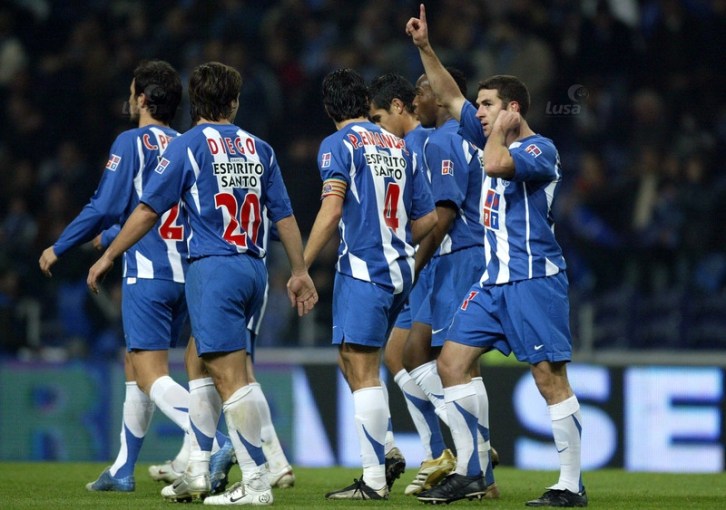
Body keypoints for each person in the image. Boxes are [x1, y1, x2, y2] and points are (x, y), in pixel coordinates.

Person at [87, 61, 317, 506]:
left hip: (214, 269)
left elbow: (148, 211)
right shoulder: (260, 148)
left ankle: (256, 482)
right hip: (254, 269)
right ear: (235, 102)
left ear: (196, 102)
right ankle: (196, 469)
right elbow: (285, 216)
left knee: (231, 378)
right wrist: (300, 270)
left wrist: (110, 255)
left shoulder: (187, 145)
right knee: (200, 365)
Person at [407, 5, 587, 507]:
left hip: (534, 279)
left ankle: (571, 485)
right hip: (492, 282)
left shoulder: (540, 150)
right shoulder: (486, 131)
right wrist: (425, 47)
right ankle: (472, 471)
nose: (477, 112)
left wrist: (496, 129)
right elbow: (448, 94)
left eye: (487, 105)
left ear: (512, 108)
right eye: (479, 106)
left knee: (549, 378)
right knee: (451, 363)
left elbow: (495, 163)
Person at [38, 60, 194, 493]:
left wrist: (59, 246)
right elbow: (160, 209)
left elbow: (104, 205)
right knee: (134, 364)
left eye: (131, 92)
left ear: (142, 98)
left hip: (148, 271)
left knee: (148, 370)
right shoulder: (187, 144)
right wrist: (111, 235)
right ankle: (123, 469)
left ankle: (211, 438)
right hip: (187, 273)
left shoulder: (131, 141)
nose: (128, 99)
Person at [303, 67, 437, 500]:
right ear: (364, 103)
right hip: (400, 271)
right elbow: (429, 218)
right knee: (351, 358)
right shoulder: (400, 146)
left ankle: (374, 479)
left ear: (328, 109)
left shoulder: (338, 144)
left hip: (364, 270)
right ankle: (389, 447)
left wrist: (301, 266)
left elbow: (331, 210)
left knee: (361, 368)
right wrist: (395, 239)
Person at [405, 67, 500, 501]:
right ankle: (478, 464)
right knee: (422, 354)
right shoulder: (464, 140)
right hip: (458, 257)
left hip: (460, 256)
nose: (416, 101)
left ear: (441, 96)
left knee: (456, 364)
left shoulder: (444, 141)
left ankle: (474, 466)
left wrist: (414, 266)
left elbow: (444, 215)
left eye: (421, 91)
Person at [368, 72, 456, 495]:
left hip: (429, 263)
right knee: (394, 356)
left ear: (398, 107)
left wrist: (413, 262)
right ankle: (438, 450)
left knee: (424, 357)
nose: (377, 127)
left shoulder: (423, 143)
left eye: (378, 118)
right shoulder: (408, 145)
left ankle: (464, 442)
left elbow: (435, 215)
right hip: (416, 262)